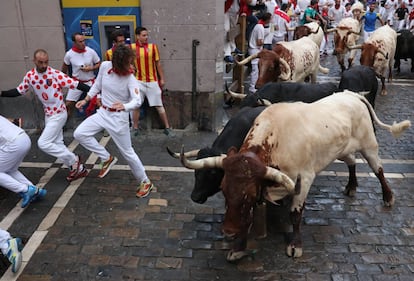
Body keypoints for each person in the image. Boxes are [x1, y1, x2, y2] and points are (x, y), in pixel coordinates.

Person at [74, 44, 155, 198]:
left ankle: (145, 181)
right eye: (127, 62)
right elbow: (97, 85)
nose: (130, 65)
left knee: (127, 152)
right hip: (103, 112)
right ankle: (106, 158)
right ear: (118, 62)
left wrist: (124, 106)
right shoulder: (105, 66)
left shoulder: (130, 78)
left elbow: (137, 101)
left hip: (118, 119)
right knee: (80, 134)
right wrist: (86, 100)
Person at [1, 49, 89, 182]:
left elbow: (76, 84)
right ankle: (79, 169)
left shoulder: (54, 74)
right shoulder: (30, 76)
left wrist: (95, 91)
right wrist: (2, 93)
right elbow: (19, 91)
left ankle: (74, 160)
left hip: (59, 114)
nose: (43, 65)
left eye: (46, 62)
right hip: (49, 114)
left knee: (43, 143)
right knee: (57, 143)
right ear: (34, 61)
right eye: (40, 62)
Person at [131, 27, 174, 137]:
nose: (146, 37)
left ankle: (167, 128)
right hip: (138, 81)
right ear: (137, 36)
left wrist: (162, 78)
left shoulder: (153, 47)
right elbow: (128, 63)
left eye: (147, 35)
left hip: (152, 81)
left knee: (159, 105)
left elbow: (158, 64)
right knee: (136, 105)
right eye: (144, 35)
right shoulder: (131, 48)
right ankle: (134, 128)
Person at [0, 115, 47, 207]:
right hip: (23, 138)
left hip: (13, 144)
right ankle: (35, 190)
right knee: (9, 170)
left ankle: (25, 190)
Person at [61, 32, 101, 121]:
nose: (83, 43)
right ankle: (62, 125)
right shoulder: (69, 54)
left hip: (91, 82)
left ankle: (104, 126)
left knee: (99, 103)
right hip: (77, 83)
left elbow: (99, 63)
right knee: (68, 105)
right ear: (74, 43)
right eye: (80, 42)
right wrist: (63, 82)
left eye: (84, 41)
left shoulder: (91, 51)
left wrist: (91, 68)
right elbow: (64, 69)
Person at [248, 12, 272, 94]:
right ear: (267, 20)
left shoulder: (259, 26)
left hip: (255, 49)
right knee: (255, 69)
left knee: (256, 69)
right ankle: (252, 87)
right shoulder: (260, 28)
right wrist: (265, 42)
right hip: (255, 49)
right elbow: (259, 42)